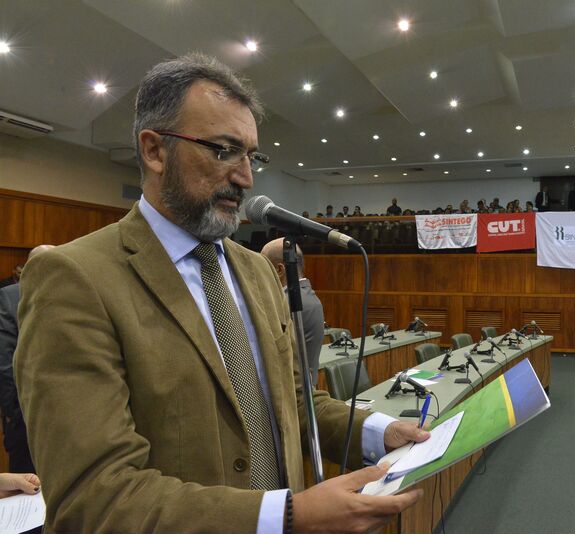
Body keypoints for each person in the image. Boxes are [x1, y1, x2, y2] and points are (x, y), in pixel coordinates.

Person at [15, 54, 427, 533]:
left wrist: (380, 432)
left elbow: (294, 405)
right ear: (155, 150)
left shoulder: (257, 272)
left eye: (251, 155)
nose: (245, 177)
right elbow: (93, 496)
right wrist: (286, 517)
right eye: (223, 150)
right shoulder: (74, 277)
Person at [0, 245, 54, 475]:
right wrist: (14, 411)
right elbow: (5, 360)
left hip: (62, 418)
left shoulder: (73, 293)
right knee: (25, 483)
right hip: (26, 416)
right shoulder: (10, 296)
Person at [261, 239, 324, 386]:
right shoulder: (309, 296)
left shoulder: (287, 302)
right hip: (304, 387)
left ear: (279, 270)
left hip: (290, 391)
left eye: (262, 266)